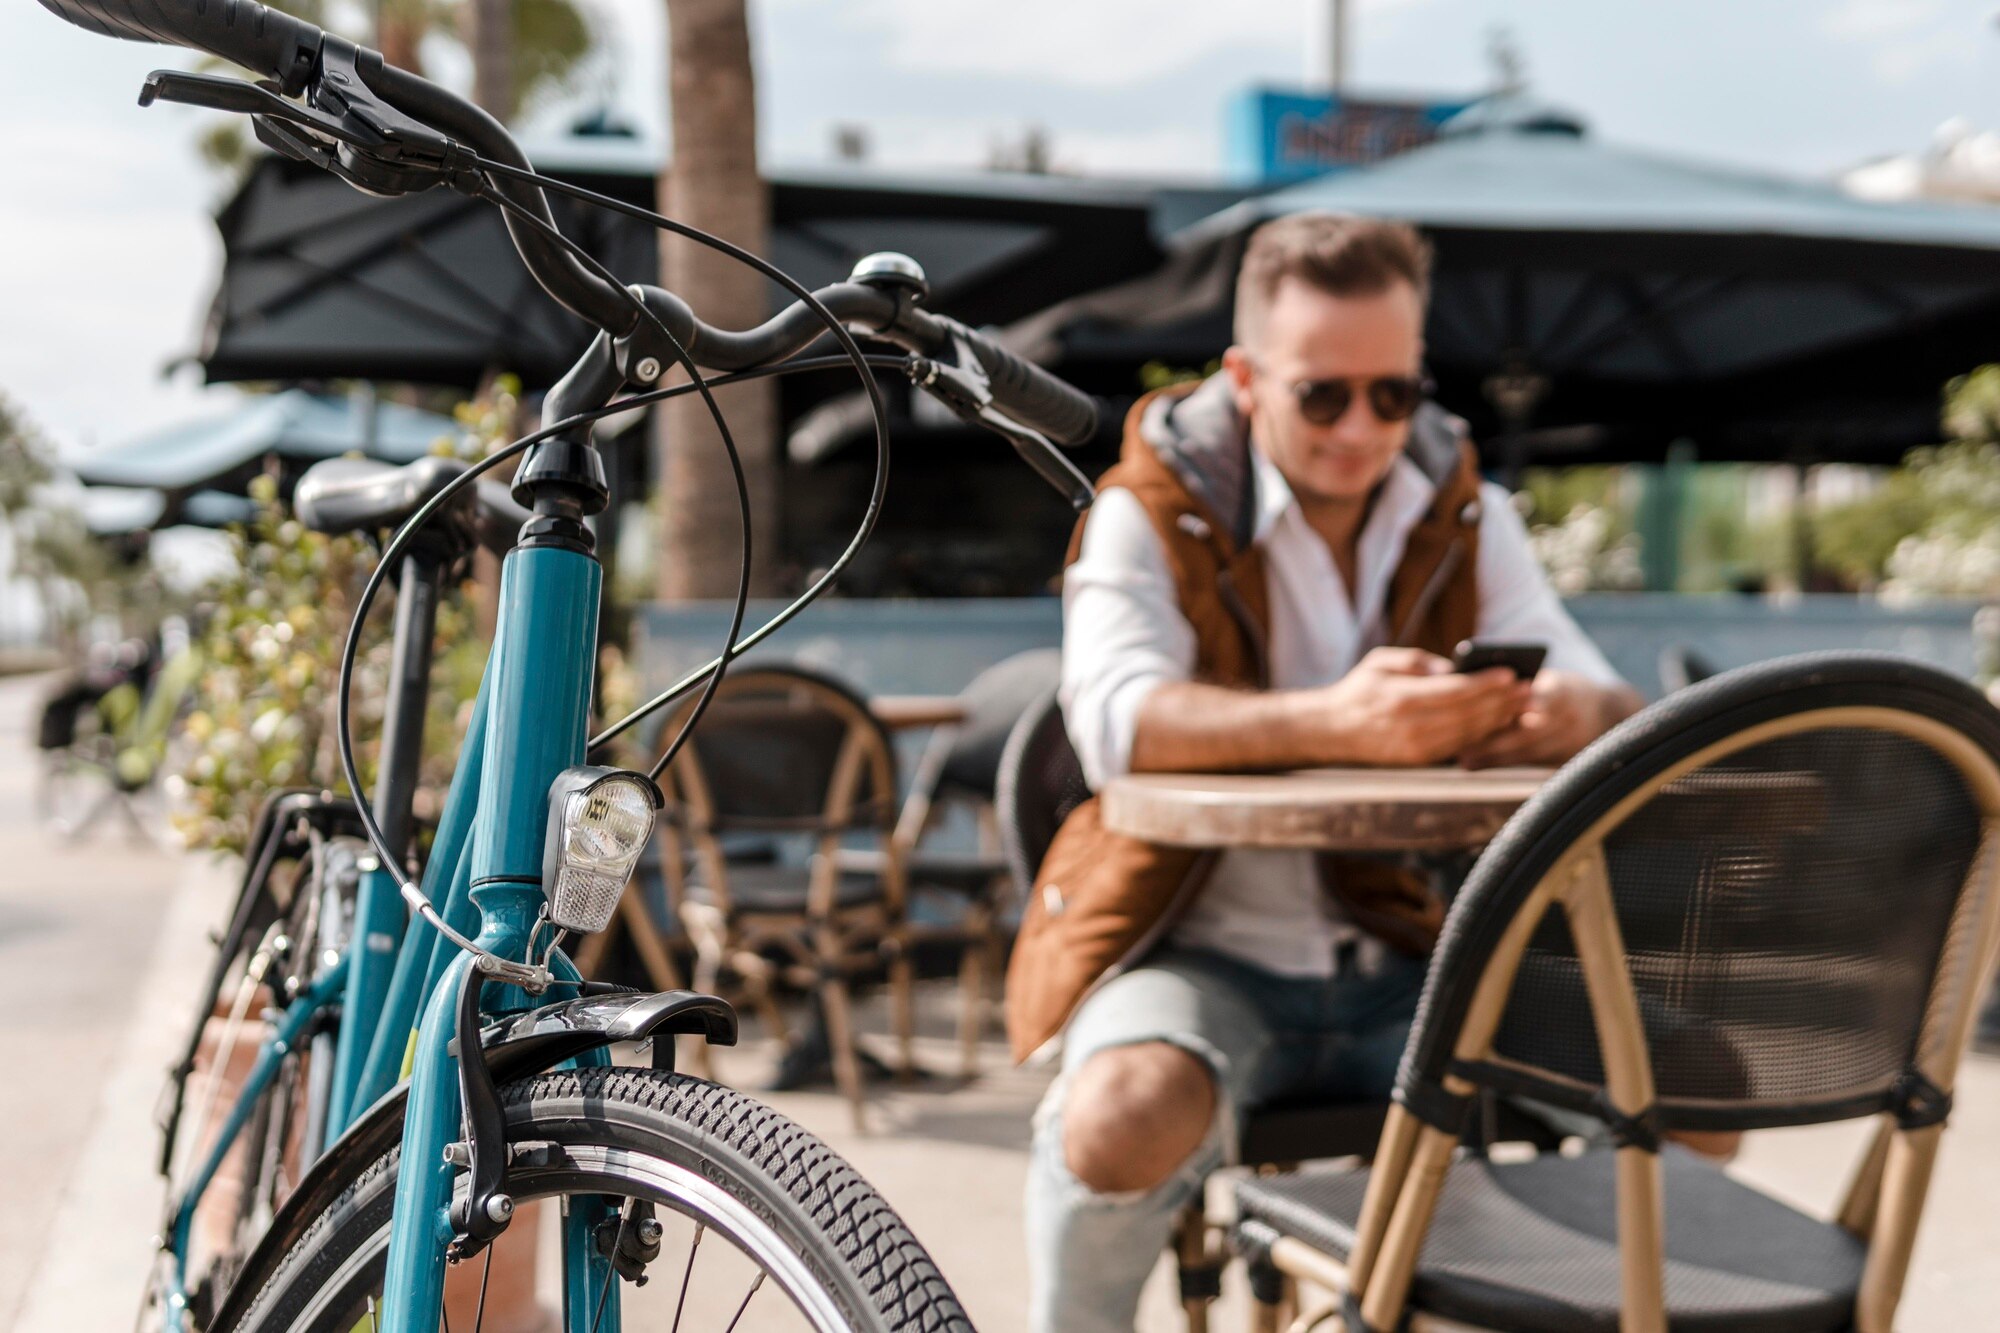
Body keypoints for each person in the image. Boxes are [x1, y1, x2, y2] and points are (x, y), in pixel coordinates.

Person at [1006, 212, 1642, 1333]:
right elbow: (1114, 725)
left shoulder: (1464, 504)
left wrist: (1544, 711)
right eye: (1323, 394)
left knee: (1681, 1085)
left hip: (1416, 950)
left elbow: (1608, 703)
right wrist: (1341, 721)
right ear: (1245, 379)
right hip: (1197, 950)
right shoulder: (1146, 506)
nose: (1362, 427)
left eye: (1392, 394)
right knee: (1115, 1114)